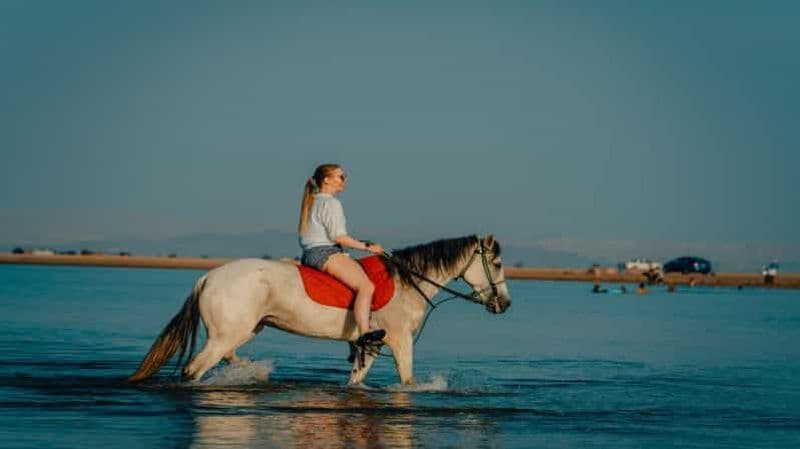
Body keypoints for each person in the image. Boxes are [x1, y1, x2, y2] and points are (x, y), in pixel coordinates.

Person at [298, 164, 386, 347]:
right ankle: (364, 332)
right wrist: (368, 247)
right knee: (366, 287)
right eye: (341, 176)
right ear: (326, 180)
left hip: (309, 254)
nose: (344, 180)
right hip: (325, 253)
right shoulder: (331, 203)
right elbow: (338, 237)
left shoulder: (312, 200)